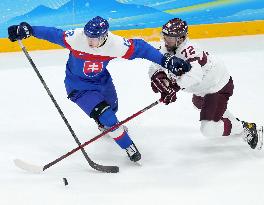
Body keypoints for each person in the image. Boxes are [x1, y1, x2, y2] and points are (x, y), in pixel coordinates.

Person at [8, 16, 191, 162]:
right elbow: (53, 34)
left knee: (112, 109)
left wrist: (166, 60)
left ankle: (107, 125)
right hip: (79, 87)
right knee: (109, 118)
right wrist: (29, 30)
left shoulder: (116, 45)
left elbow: (141, 49)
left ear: (104, 36)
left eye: (94, 38)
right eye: (88, 36)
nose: (89, 41)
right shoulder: (75, 38)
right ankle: (128, 146)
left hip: (103, 83)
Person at [149, 18, 263, 149]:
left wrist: (173, 86)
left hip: (217, 86)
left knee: (208, 129)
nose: (165, 40)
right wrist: (158, 75)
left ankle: (245, 128)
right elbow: (154, 65)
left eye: (169, 37)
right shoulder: (167, 46)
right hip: (202, 89)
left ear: (180, 38)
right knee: (199, 105)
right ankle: (236, 125)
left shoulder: (189, 50)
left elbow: (194, 76)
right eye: (165, 36)